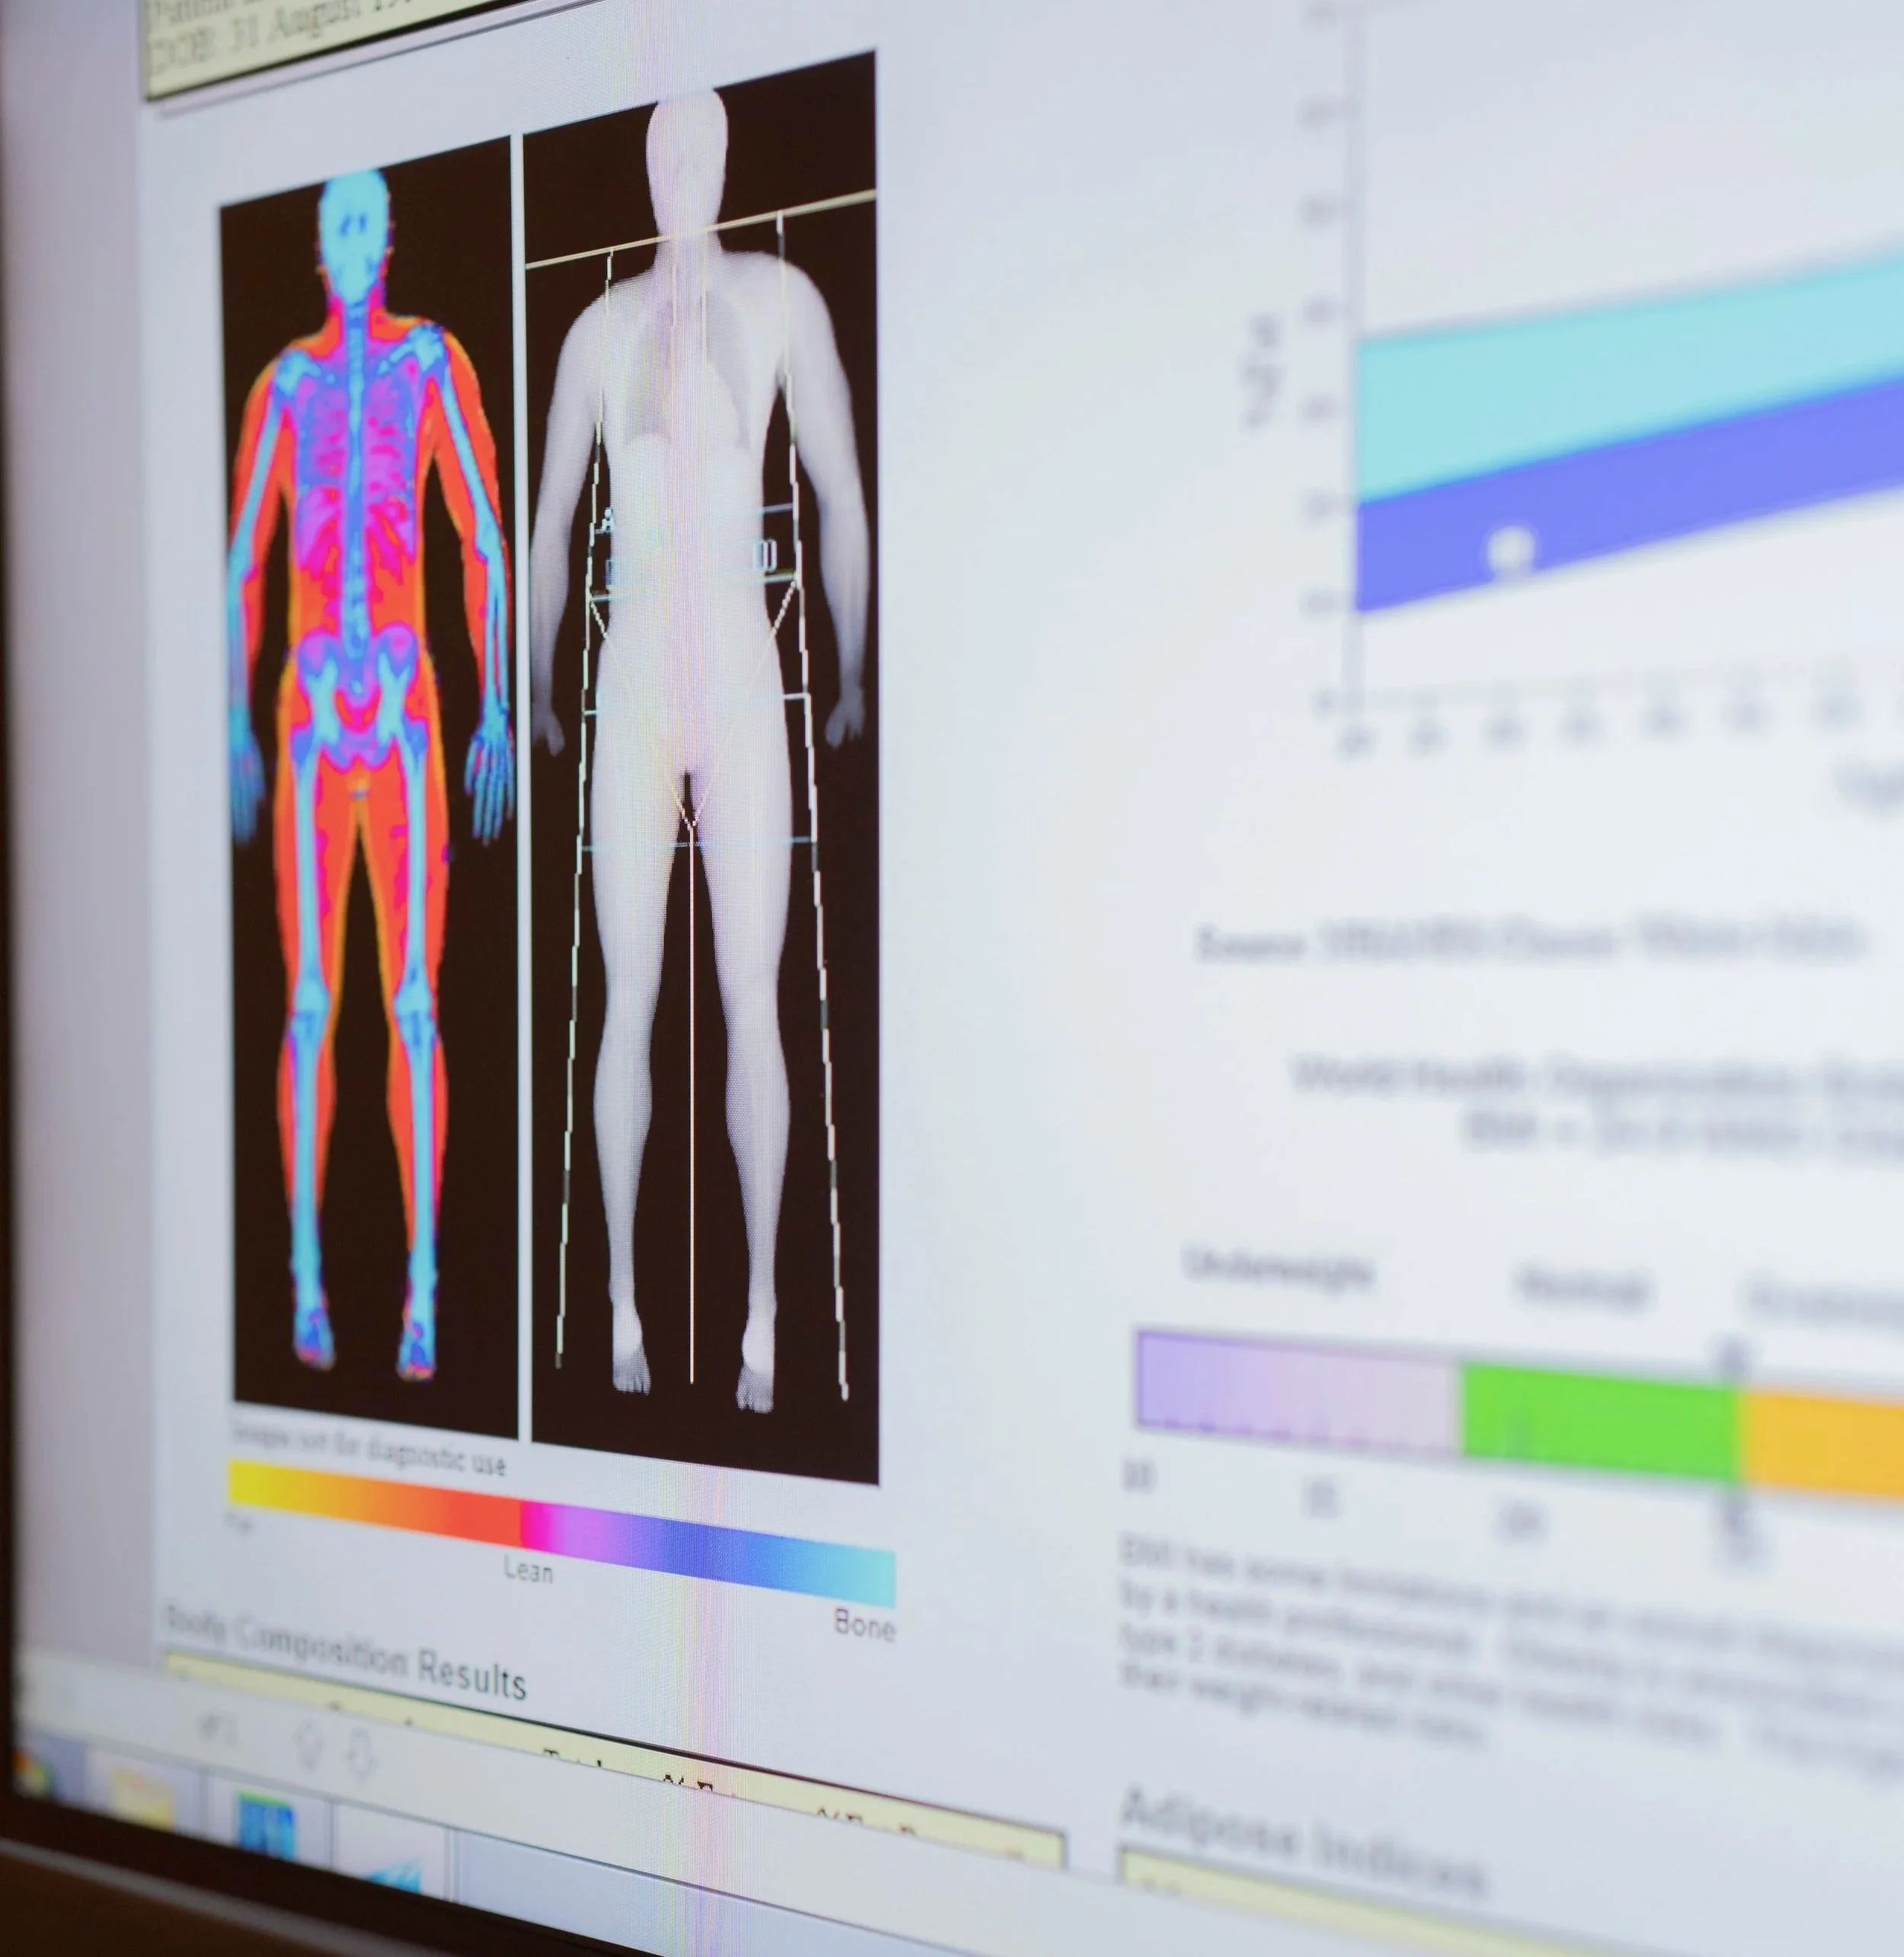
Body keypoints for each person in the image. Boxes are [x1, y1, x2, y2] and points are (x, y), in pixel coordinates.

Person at [530, 91, 869, 1412]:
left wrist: (850, 663)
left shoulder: (782, 301)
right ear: (647, 161)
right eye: (666, 149)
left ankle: (767, 1313)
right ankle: (616, 1296)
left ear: (723, 159)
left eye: (702, 148)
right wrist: (540, 683)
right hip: (636, 665)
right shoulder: (596, 331)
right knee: (627, 999)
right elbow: (551, 519)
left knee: (753, 999)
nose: (684, 169)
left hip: (735, 653)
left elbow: (839, 487)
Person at [227, 169, 514, 1382]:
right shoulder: (284, 386)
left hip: (397, 701)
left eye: (365, 223)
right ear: (318, 249)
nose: (349, 243)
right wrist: (232, 722)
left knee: (409, 1004)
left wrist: (494, 704)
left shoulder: (434, 365)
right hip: (305, 712)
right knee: (308, 1003)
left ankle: (423, 1294)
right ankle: (302, 1280)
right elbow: (244, 557)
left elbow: (483, 538)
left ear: (387, 242)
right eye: (331, 225)